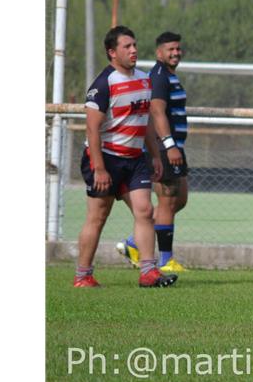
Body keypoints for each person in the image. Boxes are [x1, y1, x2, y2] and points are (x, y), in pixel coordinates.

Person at [74, 26, 176, 288]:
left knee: (145, 210)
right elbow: (92, 130)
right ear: (112, 52)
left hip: (135, 159)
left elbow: (147, 122)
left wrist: (154, 155)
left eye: (134, 45)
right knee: (98, 217)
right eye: (126, 46)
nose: (133, 50)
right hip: (105, 159)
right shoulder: (103, 84)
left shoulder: (144, 79)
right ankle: (83, 276)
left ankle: (148, 272)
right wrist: (99, 168)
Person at [117, 32, 190, 274]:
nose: (175, 53)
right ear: (159, 53)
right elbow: (157, 112)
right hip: (164, 147)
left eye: (178, 49)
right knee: (168, 200)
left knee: (179, 200)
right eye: (170, 49)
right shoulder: (159, 76)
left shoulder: (169, 75)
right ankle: (165, 260)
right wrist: (168, 145)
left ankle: (133, 242)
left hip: (175, 147)